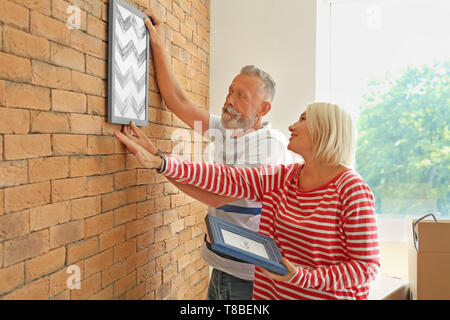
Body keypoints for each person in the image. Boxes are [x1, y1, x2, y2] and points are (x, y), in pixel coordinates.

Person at [114, 102, 380, 300]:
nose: (291, 125)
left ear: (327, 130)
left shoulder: (351, 190)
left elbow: (366, 268)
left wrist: (302, 276)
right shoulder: (282, 177)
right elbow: (225, 178)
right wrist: (162, 162)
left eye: (303, 119)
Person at [129, 10, 293, 299]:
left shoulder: (270, 145)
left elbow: (216, 195)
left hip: (248, 277)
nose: (229, 100)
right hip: (221, 264)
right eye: (231, 91)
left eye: (241, 96)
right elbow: (177, 101)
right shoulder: (226, 127)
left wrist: (160, 162)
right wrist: (158, 44)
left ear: (264, 109)